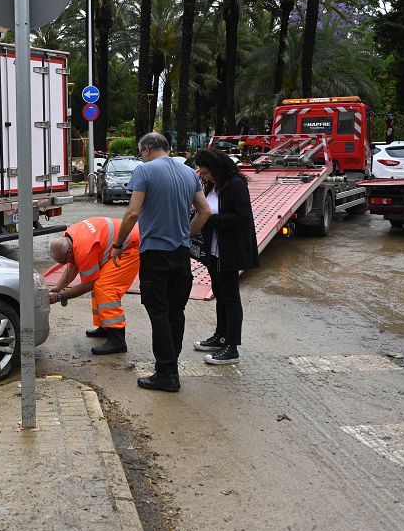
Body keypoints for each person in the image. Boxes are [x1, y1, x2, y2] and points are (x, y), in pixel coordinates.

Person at [115, 133, 211, 392]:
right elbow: (205, 211)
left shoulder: (144, 171)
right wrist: (186, 233)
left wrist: (118, 243)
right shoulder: (189, 173)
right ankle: (171, 365)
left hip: (155, 255)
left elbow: (133, 212)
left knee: (158, 312)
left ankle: (166, 373)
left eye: (140, 152)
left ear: (146, 149)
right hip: (181, 255)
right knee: (174, 312)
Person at [191, 148, 259, 365]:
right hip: (213, 250)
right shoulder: (214, 185)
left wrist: (209, 220)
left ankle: (232, 347)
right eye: (203, 173)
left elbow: (242, 218)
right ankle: (220, 336)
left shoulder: (236, 185)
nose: (206, 176)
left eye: (208, 172)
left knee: (231, 298)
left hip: (228, 250)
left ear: (217, 167)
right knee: (220, 294)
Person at [47, 217, 140, 355]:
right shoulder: (70, 239)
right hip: (122, 240)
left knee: (105, 286)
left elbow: (88, 284)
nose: (62, 265)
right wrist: (57, 287)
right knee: (100, 285)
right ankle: (105, 327)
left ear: (69, 252)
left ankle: (118, 340)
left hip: (131, 246)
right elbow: (72, 265)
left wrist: (60, 296)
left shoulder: (84, 249)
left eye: (62, 261)